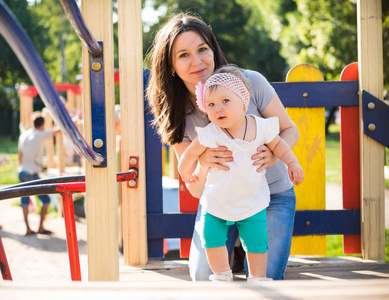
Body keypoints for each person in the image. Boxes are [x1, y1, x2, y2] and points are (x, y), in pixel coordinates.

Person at [146, 13, 300, 281]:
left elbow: (290, 130)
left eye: (203, 49)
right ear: (170, 66)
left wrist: (275, 155)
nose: (197, 61)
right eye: (183, 55)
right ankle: (234, 247)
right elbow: (194, 187)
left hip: (270, 197)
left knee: (265, 277)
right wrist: (204, 165)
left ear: (213, 49)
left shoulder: (250, 82)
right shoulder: (176, 114)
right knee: (204, 277)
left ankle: (241, 247)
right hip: (220, 203)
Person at [178, 66, 303, 282]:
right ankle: (221, 276)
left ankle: (257, 278)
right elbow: (189, 154)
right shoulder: (211, 133)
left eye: (226, 101)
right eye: (211, 104)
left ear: (244, 102)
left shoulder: (260, 127)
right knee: (211, 238)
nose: (218, 108)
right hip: (218, 203)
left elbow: (280, 145)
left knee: (257, 242)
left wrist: (291, 162)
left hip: (253, 201)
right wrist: (185, 170)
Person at [18, 115, 59, 235]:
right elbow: (56, 131)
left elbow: (20, 154)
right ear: (42, 125)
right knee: (46, 200)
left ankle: (28, 228)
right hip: (32, 173)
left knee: (24, 201)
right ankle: (40, 226)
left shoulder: (24, 135)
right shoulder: (40, 135)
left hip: (22, 170)